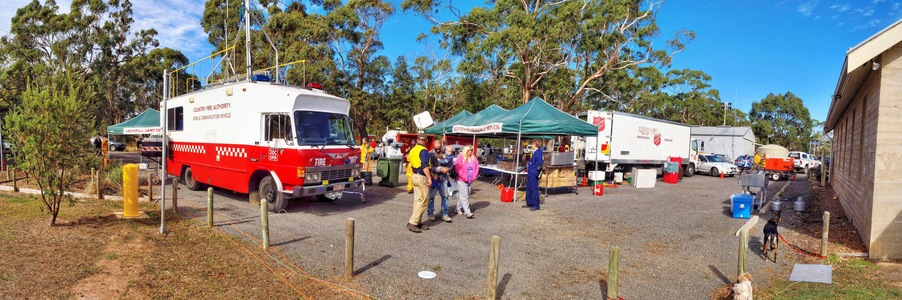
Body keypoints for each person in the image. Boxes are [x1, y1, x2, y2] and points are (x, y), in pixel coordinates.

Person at [407, 134, 432, 233]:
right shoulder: (423, 150)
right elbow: (424, 165)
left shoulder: (413, 150)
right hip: (421, 177)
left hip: (414, 175)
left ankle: (418, 221)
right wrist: (429, 178)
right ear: (426, 141)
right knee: (423, 201)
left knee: (418, 200)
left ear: (417, 140)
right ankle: (413, 222)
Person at [426, 141, 452, 222]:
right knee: (431, 197)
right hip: (434, 179)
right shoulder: (430, 154)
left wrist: (448, 169)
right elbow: (429, 167)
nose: (438, 150)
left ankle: (445, 214)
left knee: (445, 197)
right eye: (436, 149)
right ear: (433, 147)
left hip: (443, 179)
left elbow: (451, 163)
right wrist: (440, 169)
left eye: (439, 149)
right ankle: (430, 214)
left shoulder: (445, 152)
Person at [454, 145, 479, 218]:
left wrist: (475, 176)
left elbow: (477, 167)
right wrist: (463, 176)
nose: (471, 151)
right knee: (465, 196)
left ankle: (457, 209)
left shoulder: (474, 158)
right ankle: (467, 212)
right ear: (466, 151)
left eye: (472, 150)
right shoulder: (461, 157)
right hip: (462, 180)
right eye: (470, 150)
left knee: (464, 195)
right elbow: (457, 168)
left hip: (470, 180)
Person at [523, 139, 544, 211]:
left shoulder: (538, 152)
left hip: (533, 173)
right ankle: (529, 203)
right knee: (529, 189)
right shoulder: (535, 152)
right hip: (530, 172)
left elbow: (540, 163)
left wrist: (535, 171)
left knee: (534, 189)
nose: (531, 145)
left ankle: (536, 205)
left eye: (532, 144)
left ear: (535, 144)